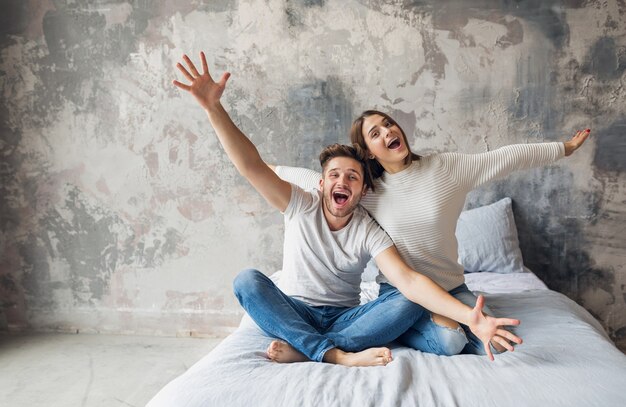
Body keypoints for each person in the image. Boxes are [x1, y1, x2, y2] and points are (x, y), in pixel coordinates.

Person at [172, 52, 522, 367]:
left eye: (353, 177)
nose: (343, 181)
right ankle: (337, 354)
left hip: (347, 319)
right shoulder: (298, 204)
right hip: (294, 310)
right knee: (246, 281)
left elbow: (409, 281)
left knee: (409, 296)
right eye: (335, 175)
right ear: (321, 184)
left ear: (363, 189)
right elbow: (251, 166)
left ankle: (310, 349)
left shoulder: (368, 227)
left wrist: (470, 317)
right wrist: (214, 109)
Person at [274, 110, 590, 356]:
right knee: (452, 341)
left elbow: (505, 158)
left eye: (388, 124)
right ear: (368, 152)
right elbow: (309, 178)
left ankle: (414, 326)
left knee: (495, 342)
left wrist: (564, 148)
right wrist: (265, 170)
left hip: (451, 288)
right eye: (375, 133)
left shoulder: (446, 168)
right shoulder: (368, 191)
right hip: (400, 295)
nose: (387, 131)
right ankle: (371, 333)